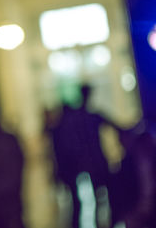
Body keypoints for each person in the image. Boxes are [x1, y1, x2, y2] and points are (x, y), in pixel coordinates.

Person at [51, 85, 117, 228]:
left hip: (86, 163)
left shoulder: (84, 117)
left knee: (94, 200)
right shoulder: (85, 117)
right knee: (95, 199)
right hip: (89, 163)